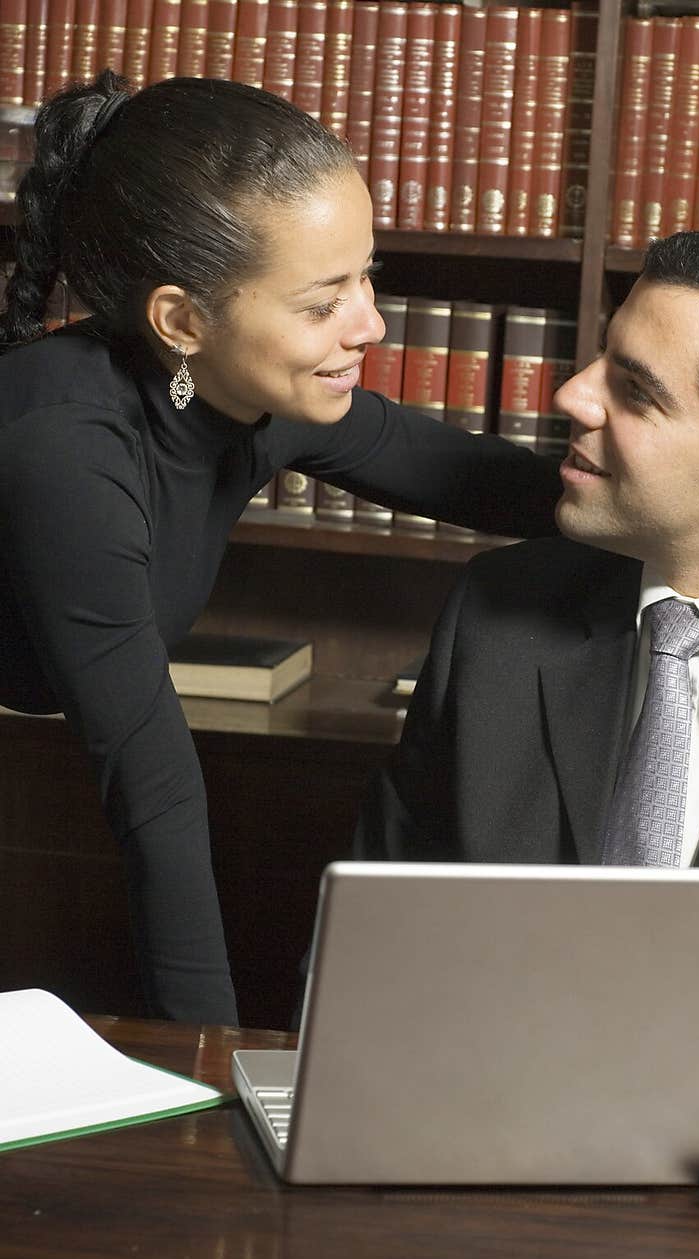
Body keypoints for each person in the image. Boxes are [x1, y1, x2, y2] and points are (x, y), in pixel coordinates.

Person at [0, 71, 563, 1027]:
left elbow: (477, 479)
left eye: (366, 275)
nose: (369, 325)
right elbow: (154, 785)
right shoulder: (64, 444)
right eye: (321, 303)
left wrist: (697, 501)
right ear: (182, 320)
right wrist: (213, 1061)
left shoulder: (253, 400)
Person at [355, 224, 699, 1221]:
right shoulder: (496, 616)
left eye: (633, 391)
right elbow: (365, 955)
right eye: (601, 356)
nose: (569, 397)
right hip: (470, 1191)